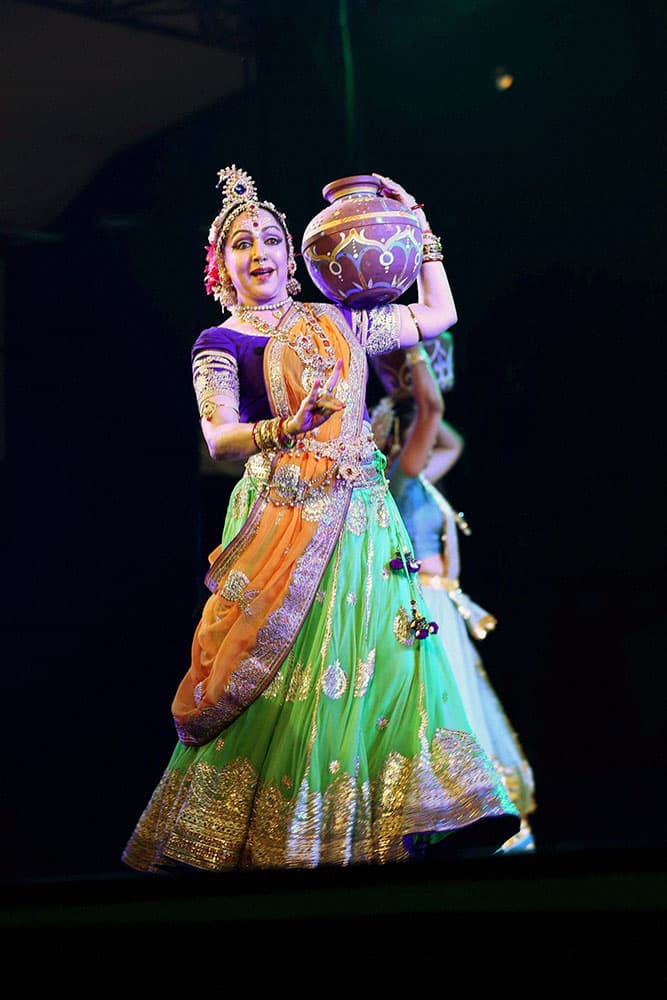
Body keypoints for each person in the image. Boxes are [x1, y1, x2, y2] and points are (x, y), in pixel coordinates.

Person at [121, 165, 520, 873]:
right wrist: (287, 425)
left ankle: (439, 813)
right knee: (282, 672)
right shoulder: (220, 343)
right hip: (283, 518)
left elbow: (436, 315)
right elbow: (219, 437)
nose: (260, 252)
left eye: (271, 238)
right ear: (223, 267)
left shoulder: (335, 319)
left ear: (293, 255)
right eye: (242, 243)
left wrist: (419, 229)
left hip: (364, 518)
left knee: (392, 656)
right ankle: (265, 839)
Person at [370, 339, 537, 853]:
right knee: (447, 711)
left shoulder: (418, 479)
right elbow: (436, 414)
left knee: (460, 705)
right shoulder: (398, 478)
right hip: (424, 607)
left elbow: (452, 441)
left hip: (441, 604)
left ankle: (473, 820)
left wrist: (408, 398)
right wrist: (416, 359)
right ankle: (447, 821)